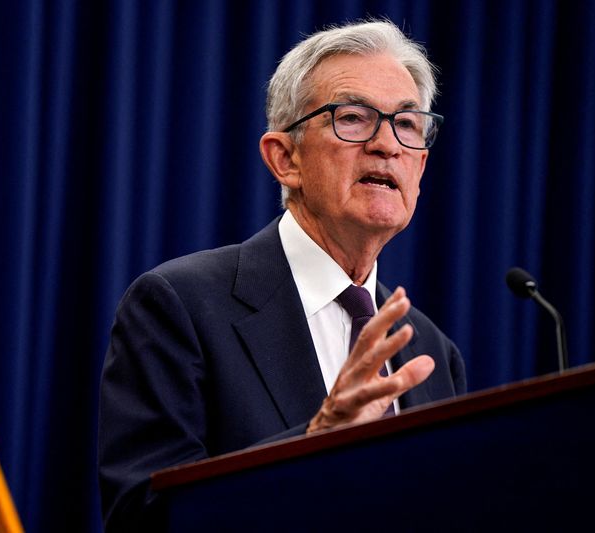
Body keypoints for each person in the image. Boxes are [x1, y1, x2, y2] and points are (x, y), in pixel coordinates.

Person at [98, 19, 466, 531]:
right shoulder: (179, 306)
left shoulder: (432, 352)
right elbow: (143, 519)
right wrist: (316, 442)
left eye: (407, 124)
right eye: (354, 117)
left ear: (421, 167)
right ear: (285, 158)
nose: (388, 144)